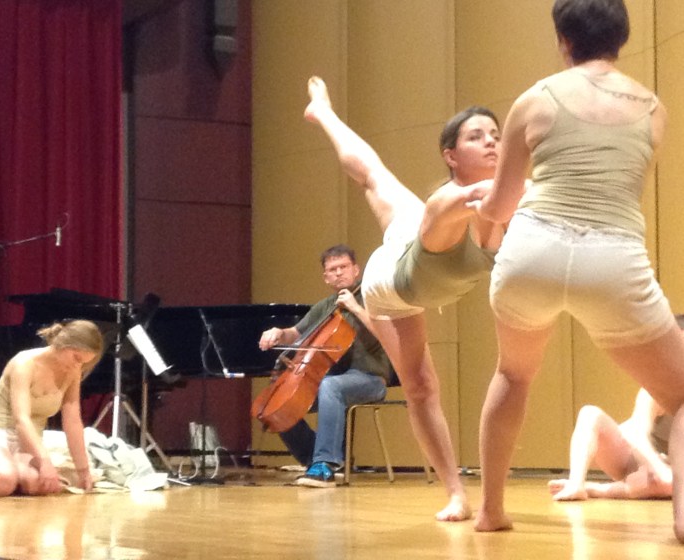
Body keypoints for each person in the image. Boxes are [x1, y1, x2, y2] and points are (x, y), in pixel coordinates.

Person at [467, 0, 684, 540]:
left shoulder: (534, 99)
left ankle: (490, 511)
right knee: (681, 395)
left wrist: (481, 216)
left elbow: (500, 206)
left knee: (513, 376)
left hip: (531, 251)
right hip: (612, 259)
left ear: (563, 39)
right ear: (622, 38)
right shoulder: (653, 109)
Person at [303, 76, 508, 521]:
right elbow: (479, 200)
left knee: (373, 174)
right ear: (451, 155)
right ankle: (456, 494)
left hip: (410, 240)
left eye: (496, 135)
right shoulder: (445, 201)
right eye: (477, 136)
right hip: (389, 282)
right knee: (421, 386)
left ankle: (323, 113)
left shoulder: (504, 202)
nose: (491, 142)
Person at [258, 244, 391, 488]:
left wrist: (355, 308)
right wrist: (278, 332)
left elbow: (387, 336)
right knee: (277, 405)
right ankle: (316, 462)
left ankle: (325, 463)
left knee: (331, 386)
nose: (339, 273)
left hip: (370, 379)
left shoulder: (372, 299)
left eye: (343, 267)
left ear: (356, 270)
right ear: (326, 277)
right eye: (332, 269)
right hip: (331, 382)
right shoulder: (324, 306)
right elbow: (296, 333)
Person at [0, 320, 104, 496]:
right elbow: (21, 420)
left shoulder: (73, 371)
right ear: (63, 344)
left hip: (28, 443)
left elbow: (73, 421)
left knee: (37, 485)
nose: (78, 366)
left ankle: (13, 472)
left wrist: (83, 470)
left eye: (84, 363)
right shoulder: (24, 364)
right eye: (76, 358)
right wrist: (44, 461)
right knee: (3, 482)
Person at [549, 387, 672, 501]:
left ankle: (595, 489)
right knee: (590, 414)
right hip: (634, 454)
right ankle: (576, 483)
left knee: (669, 484)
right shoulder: (658, 389)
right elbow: (636, 434)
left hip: (666, 474)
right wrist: (659, 469)